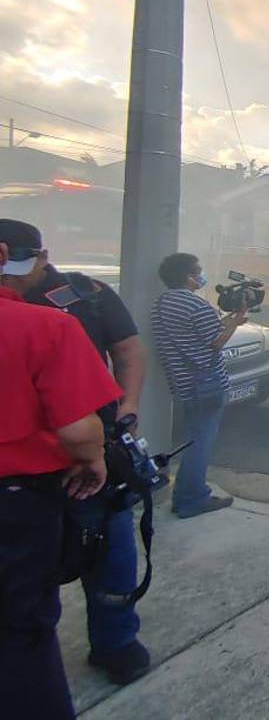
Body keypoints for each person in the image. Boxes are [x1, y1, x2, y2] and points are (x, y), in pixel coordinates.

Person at [0, 220, 151, 683]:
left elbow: (128, 351)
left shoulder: (89, 296)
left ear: (43, 257)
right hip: (64, 461)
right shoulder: (37, 319)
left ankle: (116, 642)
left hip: (90, 457)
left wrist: (125, 412)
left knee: (110, 554)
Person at [150, 253, 246, 517]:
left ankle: (185, 493)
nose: (201, 276)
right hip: (207, 382)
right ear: (188, 277)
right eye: (198, 271)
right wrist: (236, 321)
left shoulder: (162, 303)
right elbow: (216, 342)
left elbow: (201, 335)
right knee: (201, 442)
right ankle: (192, 498)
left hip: (184, 384)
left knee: (194, 439)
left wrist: (229, 321)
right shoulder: (195, 305)